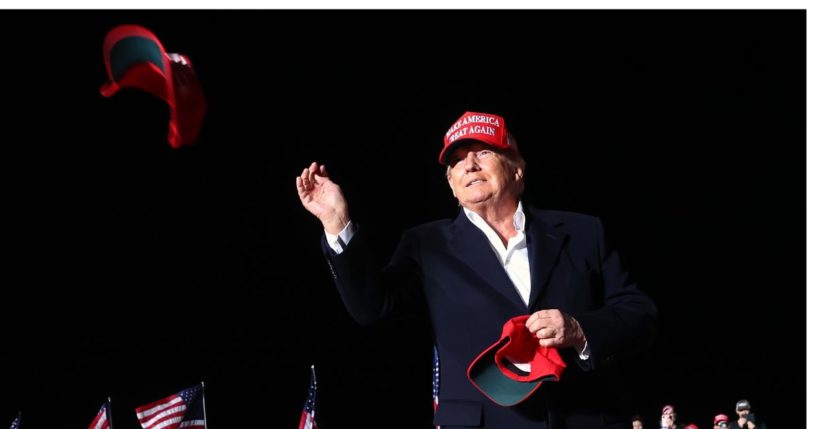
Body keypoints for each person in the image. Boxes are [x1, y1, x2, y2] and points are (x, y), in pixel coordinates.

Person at [296, 110, 658, 429]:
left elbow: (640, 314)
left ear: (517, 167)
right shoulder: (427, 245)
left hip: (585, 416)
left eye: (483, 152)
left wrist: (579, 330)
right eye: (456, 161)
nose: (469, 165)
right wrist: (337, 223)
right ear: (451, 184)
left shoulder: (582, 232)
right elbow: (370, 308)